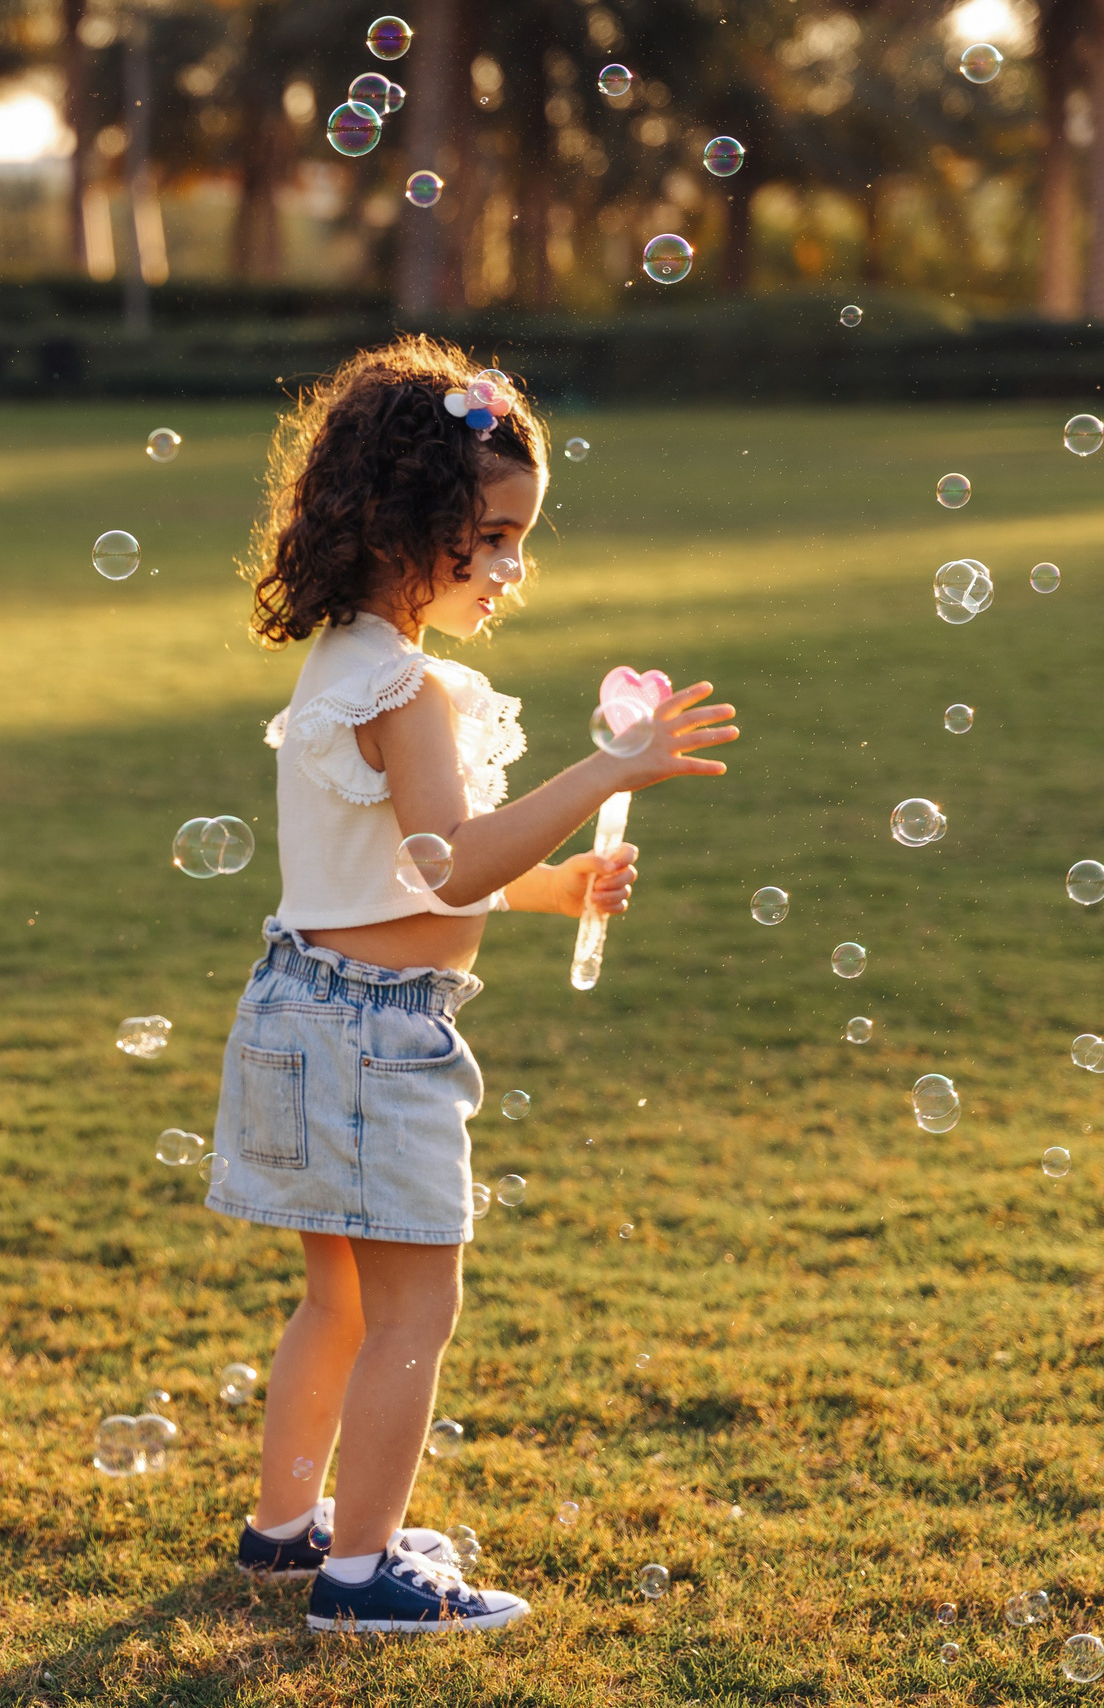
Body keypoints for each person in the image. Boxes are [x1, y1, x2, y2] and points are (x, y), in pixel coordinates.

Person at [213, 336, 738, 1634]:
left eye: (519, 540)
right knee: (415, 1306)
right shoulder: (406, 688)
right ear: (406, 521)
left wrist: (552, 888)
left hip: (302, 1003)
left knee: (334, 1295)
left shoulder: (352, 658)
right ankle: (363, 1577)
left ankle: (288, 1534)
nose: (512, 569)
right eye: (492, 538)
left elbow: (400, 874)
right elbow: (449, 868)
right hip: (376, 1041)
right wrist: (603, 773)